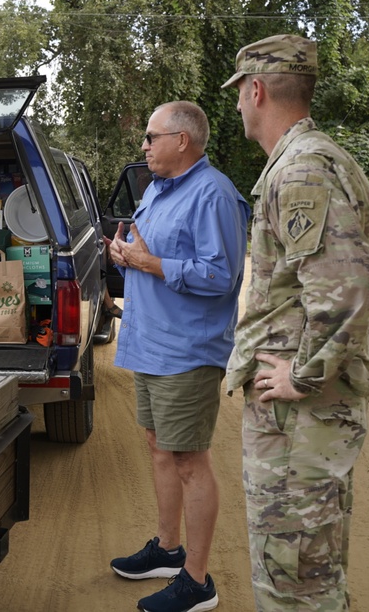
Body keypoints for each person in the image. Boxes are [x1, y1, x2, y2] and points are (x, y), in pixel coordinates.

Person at [222, 34, 369, 611]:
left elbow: (347, 288)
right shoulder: (321, 161)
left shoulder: (302, 170)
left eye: (240, 93)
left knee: (294, 580)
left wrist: (306, 375)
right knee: (310, 570)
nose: (239, 105)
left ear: (257, 89)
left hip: (299, 417)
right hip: (305, 418)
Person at [107, 101, 250, 612]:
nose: (143, 145)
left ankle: (197, 582)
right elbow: (148, 257)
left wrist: (148, 260)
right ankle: (168, 550)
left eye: (151, 136)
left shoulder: (214, 195)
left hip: (187, 350)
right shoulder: (158, 191)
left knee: (190, 459)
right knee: (159, 446)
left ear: (182, 140)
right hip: (150, 343)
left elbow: (222, 276)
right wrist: (123, 256)